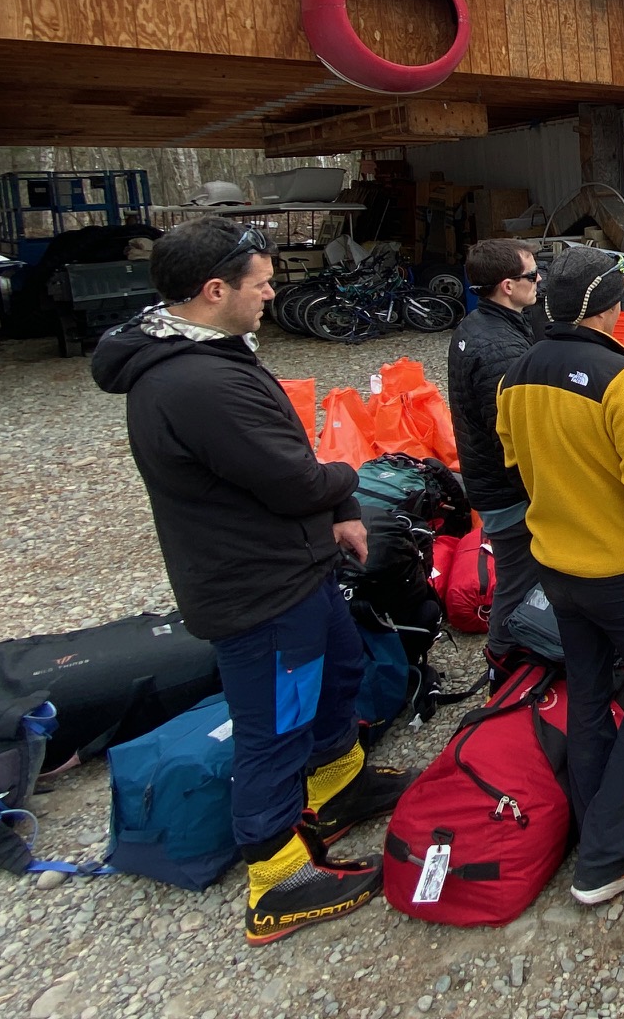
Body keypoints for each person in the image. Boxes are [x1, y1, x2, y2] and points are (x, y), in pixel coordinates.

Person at [93, 218, 409, 945]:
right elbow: (292, 474)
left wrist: (338, 506)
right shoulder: (193, 382)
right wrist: (349, 475)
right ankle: (275, 874)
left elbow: (288, 463)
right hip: (256, 588)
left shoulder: (213, 352)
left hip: (296, 566)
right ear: (214, 291)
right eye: (262, 284)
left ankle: (336, 786)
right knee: (275, 724)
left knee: (341, 668)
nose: (272, 294)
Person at [495, 247, 624, 905]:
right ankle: (604, 858)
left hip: (559, 566)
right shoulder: (619, 374)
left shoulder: (514, 374)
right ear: (606, 308)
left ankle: (588, 825)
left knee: (587, 691)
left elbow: (515, 462)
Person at [446, 237, 541, 675]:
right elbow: (514, 437)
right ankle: (503, 659)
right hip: (508, 490)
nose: (539, 280)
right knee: (518, 577)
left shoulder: (479, 325)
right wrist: (544, 490)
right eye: (531, 275)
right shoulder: (500, 349)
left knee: (520, 572)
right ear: (506, 285)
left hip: (493, 483)